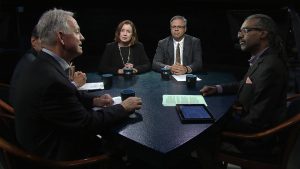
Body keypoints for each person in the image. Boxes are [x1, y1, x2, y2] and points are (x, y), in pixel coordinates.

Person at [14, 8, 142, 162]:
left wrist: (94, 100)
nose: (82, 37)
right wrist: (123, 107)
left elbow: (67, 93)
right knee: (121, 149)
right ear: (61, 37)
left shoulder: (43, 64)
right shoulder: (51, 80)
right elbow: (87, 123)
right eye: (77, 32)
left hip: (40, 140)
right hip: (60, 155)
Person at [198, 14, 288, 168]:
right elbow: (246, 83)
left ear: (263, 33)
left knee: (203, 134)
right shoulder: (263, 60)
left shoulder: (270, 67)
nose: (239, 35)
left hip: (255, 140)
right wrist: (217, 89)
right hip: (251, 125)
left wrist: (215, 120)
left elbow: (255, 122)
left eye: (245, 30)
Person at [9, 25, 87, 107]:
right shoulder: (34, 63)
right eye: (45, 40)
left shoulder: (35, 58)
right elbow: (57, 97)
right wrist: (75, 84)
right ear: (33, 41)